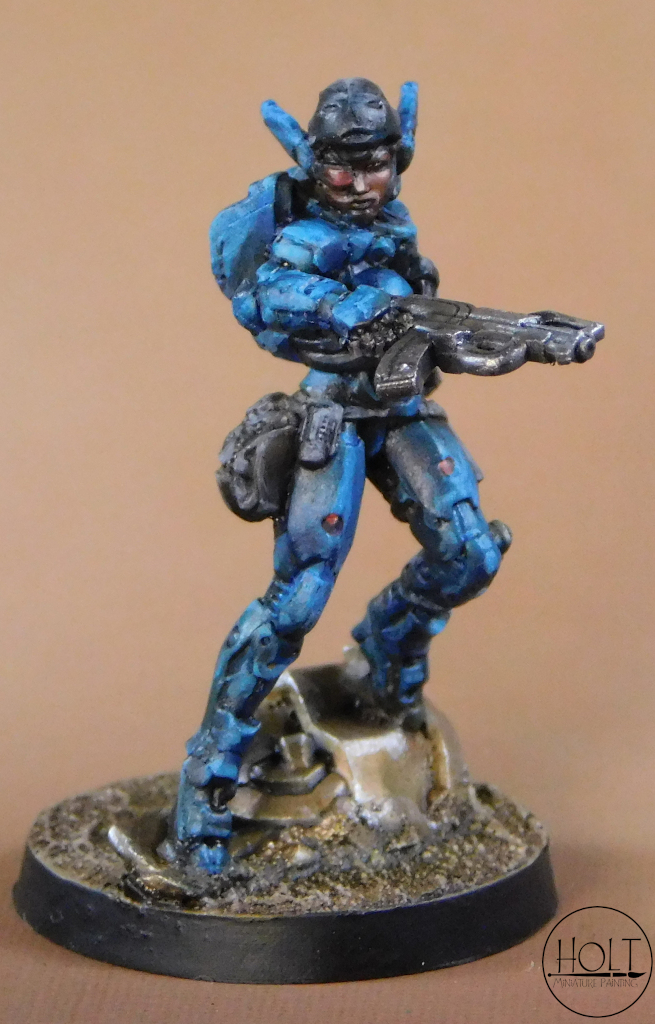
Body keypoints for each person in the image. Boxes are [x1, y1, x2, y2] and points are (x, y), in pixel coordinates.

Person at [175, 78, 594, 872]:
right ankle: (208, 782)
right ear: (315, 164)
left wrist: (503, 341)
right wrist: (344, 308)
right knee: (296, 602)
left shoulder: (395, 227)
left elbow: (429, 322)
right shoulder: (306, 237)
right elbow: (269, 296)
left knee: (469, 551)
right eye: (344, 166)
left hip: (399, 411)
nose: (362, 183)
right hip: (331, 416)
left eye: (377, 165)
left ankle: (383, 657)